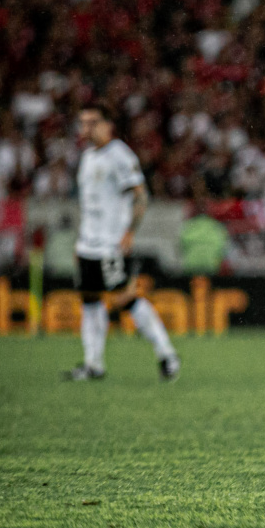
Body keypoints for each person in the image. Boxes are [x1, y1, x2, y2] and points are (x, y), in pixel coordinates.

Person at [63, 103, 181, 381]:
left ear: (107, 125)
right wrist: (80, 242)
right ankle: (94, 364)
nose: (86, 128)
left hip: (110, 244)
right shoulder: (88, 157)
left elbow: (140, 195)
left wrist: (130, 232)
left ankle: (167, 353)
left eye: (92, 122)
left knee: (124, 298)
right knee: (89, 300)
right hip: (88, 244)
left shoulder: (119, 155)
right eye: (83, 122)